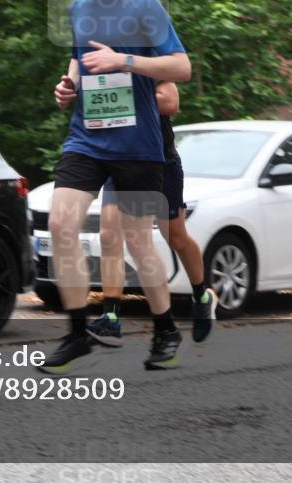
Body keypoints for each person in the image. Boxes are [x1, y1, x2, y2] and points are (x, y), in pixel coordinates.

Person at [39, 0, 191, 374]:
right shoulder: (77, 8)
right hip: (87, 137)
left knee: (137, 244)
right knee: (62, 224)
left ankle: (165, 329)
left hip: (138, 144)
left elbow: (181, 68)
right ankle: (75, 334)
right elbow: (78, 56)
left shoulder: (144, 6)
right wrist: (67, 85)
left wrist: (123, 59)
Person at [86, 81, 216, 348]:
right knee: (110, 235)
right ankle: (110, 316)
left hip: (160, 162)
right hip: (119, 161)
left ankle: (202, 296)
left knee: (176, 237)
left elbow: (170, 103)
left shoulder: (146, 58)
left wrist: (122, 95)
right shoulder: (100, 65)